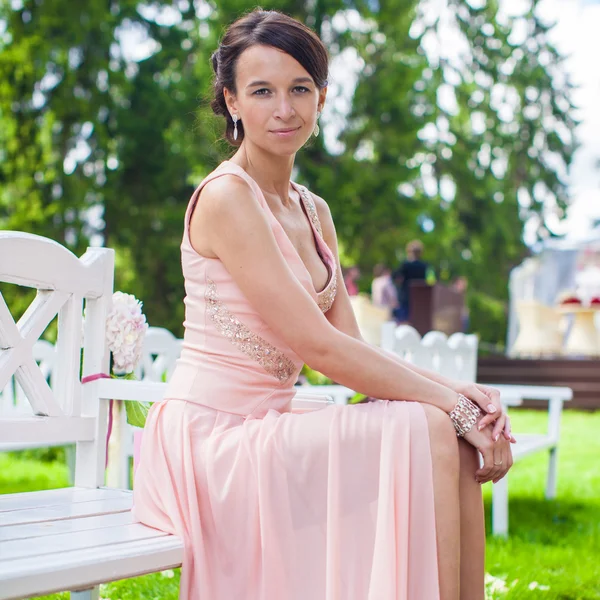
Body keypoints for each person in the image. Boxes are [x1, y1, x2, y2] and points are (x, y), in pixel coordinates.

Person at [132, 10, 515, 600]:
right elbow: (319, 350)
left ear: (321, 97)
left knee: (446, 428)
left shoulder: (313, 212)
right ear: (232, 101)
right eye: (262, 91)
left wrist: (464, 396)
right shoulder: (228, 198)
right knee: (436, 428)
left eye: (299, 89)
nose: (283, 109)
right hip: (213, 440)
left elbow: (355, 350)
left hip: (273, 422)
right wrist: (452, 408)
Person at [393, 239, 431, 322]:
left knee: (404, 321)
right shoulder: (425, 266)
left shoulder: (405, 265)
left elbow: (395, 277)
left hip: (406, 297)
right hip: (420, 298)